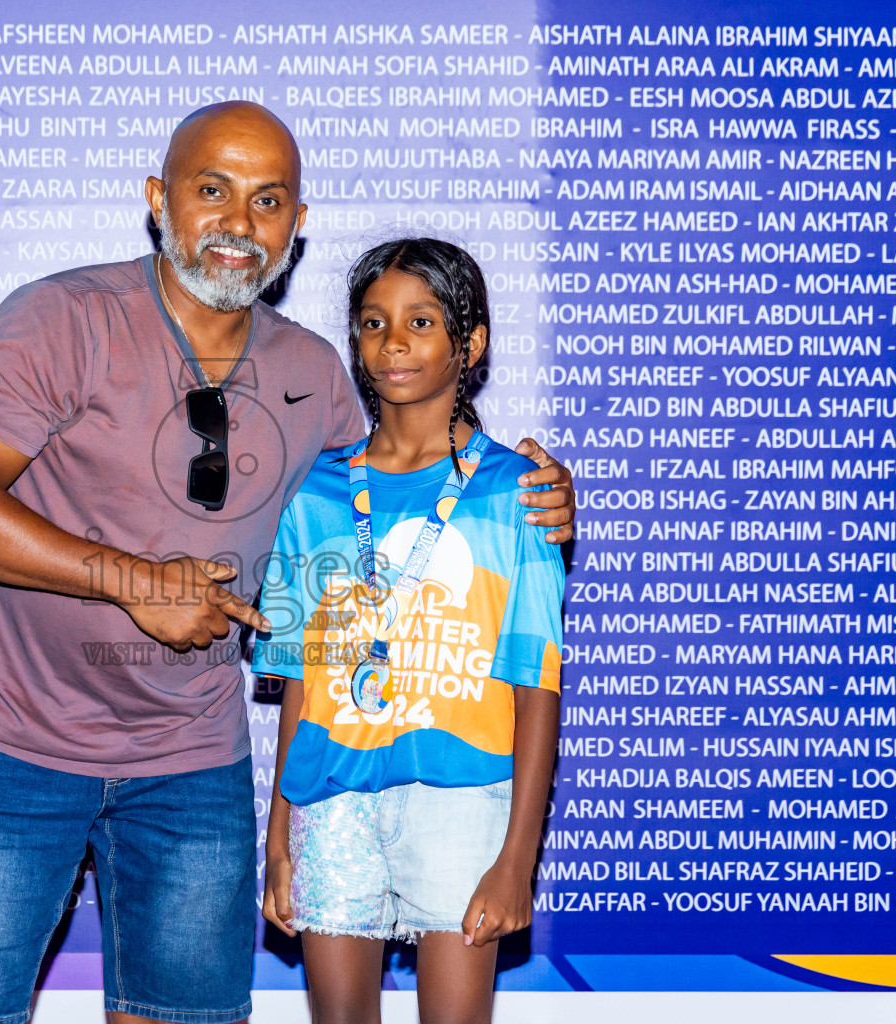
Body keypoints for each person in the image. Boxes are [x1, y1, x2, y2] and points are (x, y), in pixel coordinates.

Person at [0, 103, 574, 1024]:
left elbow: (392, 503)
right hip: (14, 746)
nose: (237, 223)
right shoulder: (60, 317)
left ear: (296, 230)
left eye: (267, 201)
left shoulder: (318, 375)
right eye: (211, 190)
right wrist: (134, 580)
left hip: (193, 765)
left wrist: (526, 489)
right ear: (157, 200)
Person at [256, 238, 564, 1024]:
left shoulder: (516, 493)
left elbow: (537, 685)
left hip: (464, 800)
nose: (392, 342)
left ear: (472, 344)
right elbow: (303, 676)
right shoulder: (314, 494)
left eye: (421, 321)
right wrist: (280, 836)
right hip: (332, 803)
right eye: (372, 322)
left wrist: (515, 861)